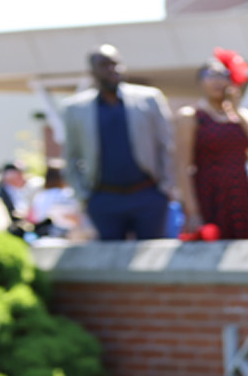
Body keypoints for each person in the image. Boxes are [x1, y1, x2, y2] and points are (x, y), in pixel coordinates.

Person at [60, 45, 178, 241]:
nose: (112, 69)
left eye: (115, 64)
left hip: (148, 194)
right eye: (104, 65)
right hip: (104, 199)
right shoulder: (75, 108)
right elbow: (71, 155)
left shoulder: (149, 99)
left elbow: (168, 145)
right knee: (111, 262)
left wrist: (167, 187)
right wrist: (84, 196)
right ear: (92, 72)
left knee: (152, 257)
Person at [175, 55, 248, 239]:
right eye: (210, 75)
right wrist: (193, 211)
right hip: (208, 194)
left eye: (223, 75)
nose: (217, 81)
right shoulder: (191, 116)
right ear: (200, 81)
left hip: (239, 193)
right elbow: (183, 167)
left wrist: (237, 111)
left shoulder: (242, 116)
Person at [29, 161, 80, 240]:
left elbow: (34, 217)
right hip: (63, 235)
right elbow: (74, 218)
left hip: (42, 235)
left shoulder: (40, 195)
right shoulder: (65, 194)